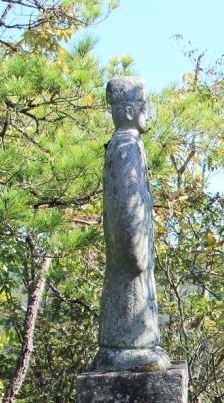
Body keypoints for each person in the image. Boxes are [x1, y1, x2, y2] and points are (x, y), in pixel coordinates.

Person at [93, 76, 170, 373]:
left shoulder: (125, 145)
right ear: (127, 111)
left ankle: (133, 345)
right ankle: (127, 349)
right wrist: (137, 254)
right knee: (128, 295)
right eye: (143, 105)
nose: (147, 112)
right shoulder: (126, 148)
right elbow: (127, 209)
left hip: (134, 262)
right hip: (130, 260)